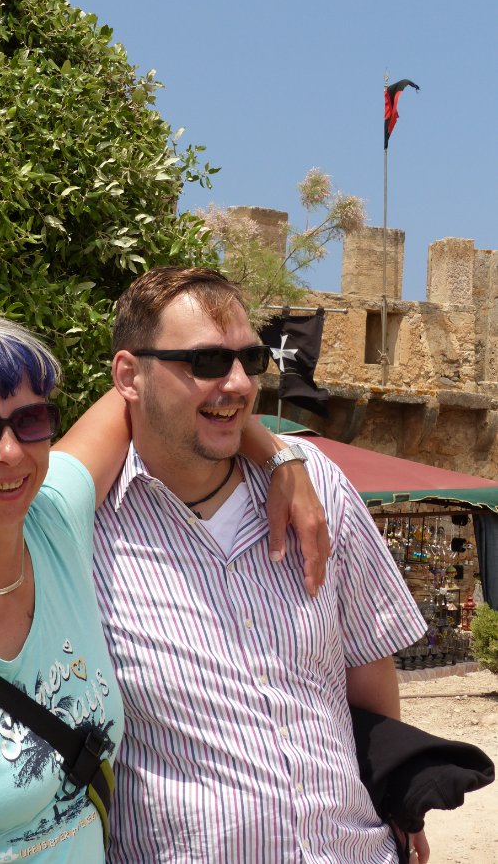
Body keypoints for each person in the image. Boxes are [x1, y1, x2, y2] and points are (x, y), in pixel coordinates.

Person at [0, 306, 327, 862]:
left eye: (31, 421)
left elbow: (153, 393)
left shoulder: (52, 522)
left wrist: (280, 456)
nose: (10, 452)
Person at [92, 266, 431, 863]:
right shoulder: (89, 528)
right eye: (206, 362)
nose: (238, 383)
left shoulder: (318, 485)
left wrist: (397, 796)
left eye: (250, 359)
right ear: (129, 376)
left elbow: (368, 663)